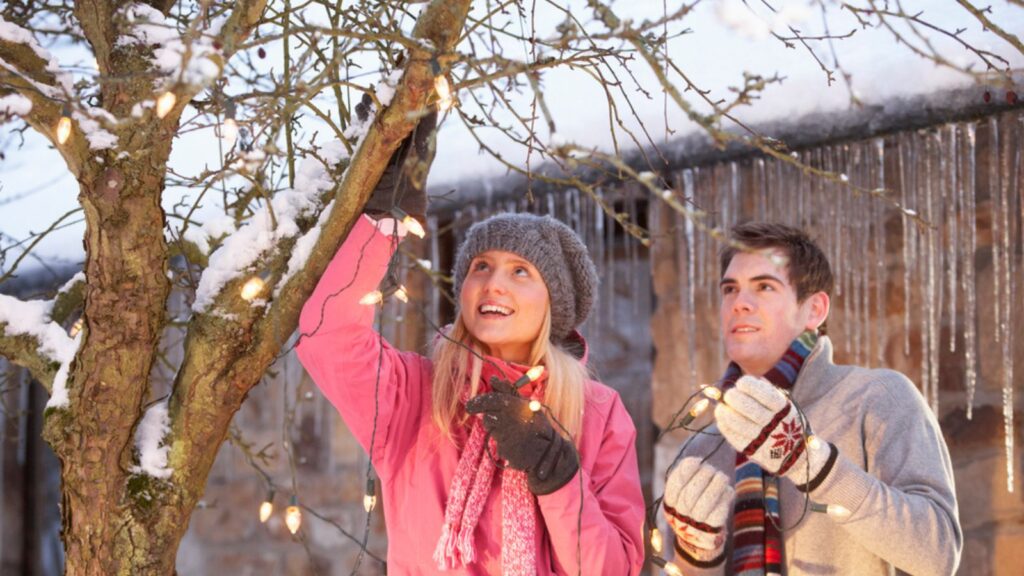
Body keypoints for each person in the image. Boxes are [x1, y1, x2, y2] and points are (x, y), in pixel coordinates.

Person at [296, 110, 645, 575]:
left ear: (553, 305)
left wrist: (557, 474)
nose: (493, 284)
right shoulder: (417, 394)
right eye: (481, 266)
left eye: (520, 271)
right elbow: (327, 334)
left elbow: (613, 569)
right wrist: (384, 220)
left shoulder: (598, 412)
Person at [662, 222, 962, 575]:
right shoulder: (703, 447)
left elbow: (938, 555)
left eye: (764, 287)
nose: (739, 303)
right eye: (730, 289)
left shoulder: (877, 398)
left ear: (815, 310)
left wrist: (813, 465)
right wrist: (698, 555)